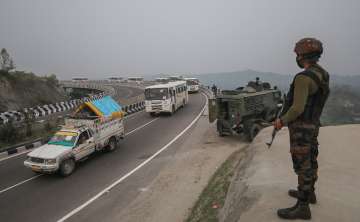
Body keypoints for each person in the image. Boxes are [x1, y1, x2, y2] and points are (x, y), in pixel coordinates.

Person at [274, 38, 330, 220]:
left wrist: (281, 121)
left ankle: (303, 207)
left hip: (301, 129)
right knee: (311, 159)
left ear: (302, 56)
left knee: (302, 166)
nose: (297, 57)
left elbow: (297, 108)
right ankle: (309, 193)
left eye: (298, 54)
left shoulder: (303, 78)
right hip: (313, 125)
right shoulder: (322, 73)